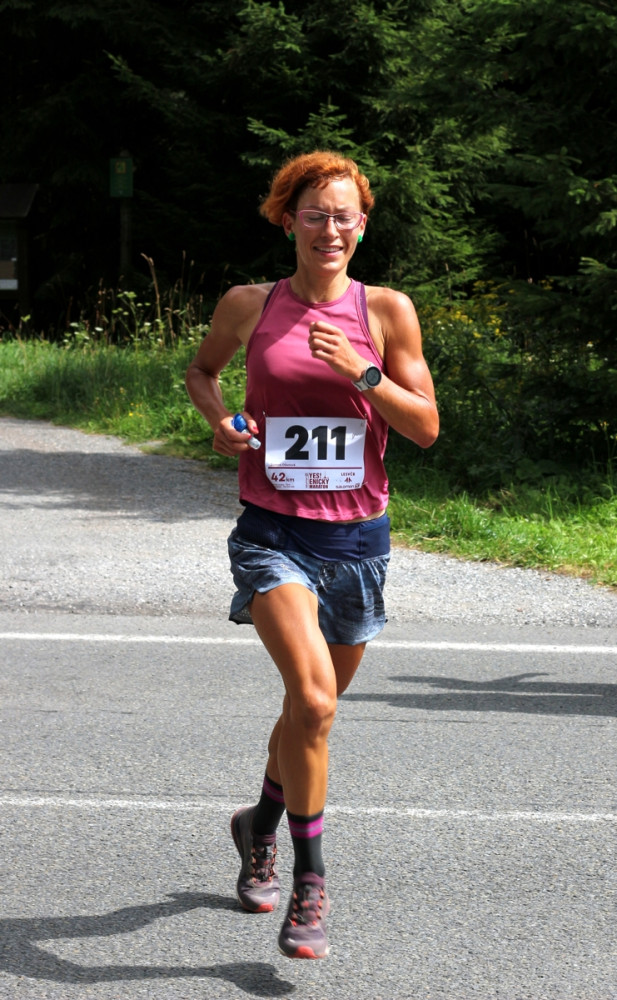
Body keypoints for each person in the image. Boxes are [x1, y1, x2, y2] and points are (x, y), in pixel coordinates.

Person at [185, 150, 438, 960]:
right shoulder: (249, 304)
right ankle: (309, 883)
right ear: (287, 220)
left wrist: (362, 373)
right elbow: (201, 373)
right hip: (273, 535)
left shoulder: (387, 311)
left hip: (358, 542)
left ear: (361, 228)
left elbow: (425, 427)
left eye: (343, 216)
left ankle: (256, 823)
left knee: (306, 710)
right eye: (314, 213)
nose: (329, 228)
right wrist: (221, 422)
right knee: (317, 703)